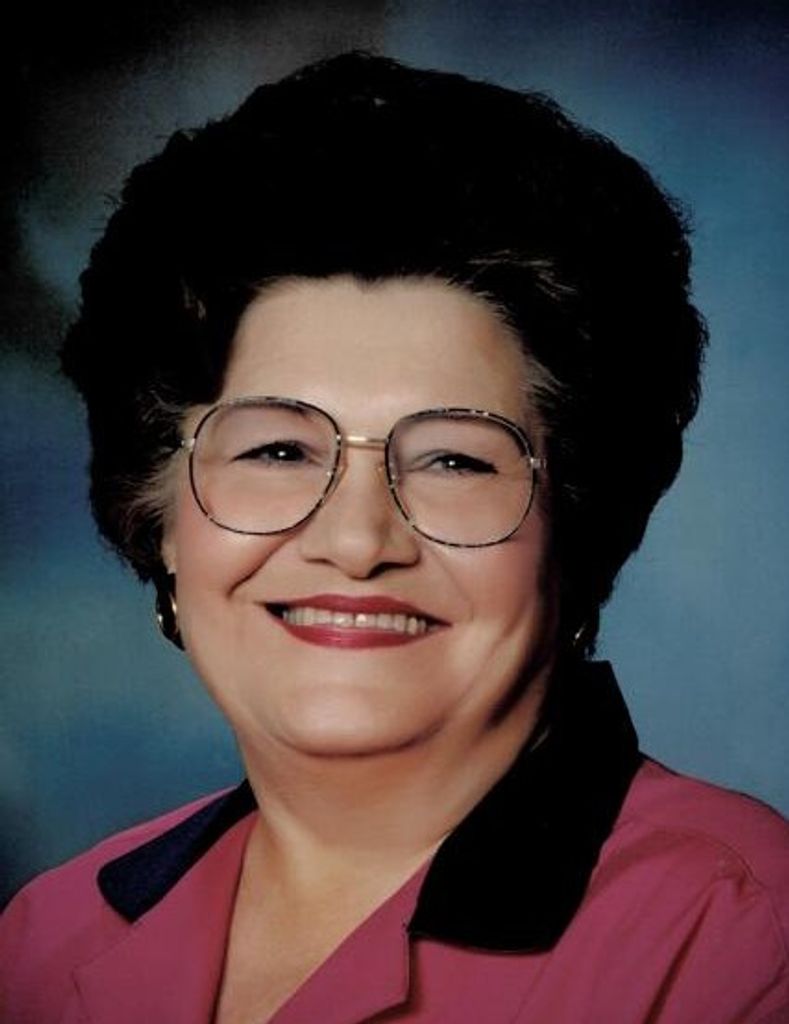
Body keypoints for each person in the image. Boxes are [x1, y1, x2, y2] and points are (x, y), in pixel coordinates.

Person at [1, 51, 787, 1024]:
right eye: (278, 449)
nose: (356, 539)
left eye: (455, 460)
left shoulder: (737, 937)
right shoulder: (48, 935)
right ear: (160, 518)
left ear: (575, 528)